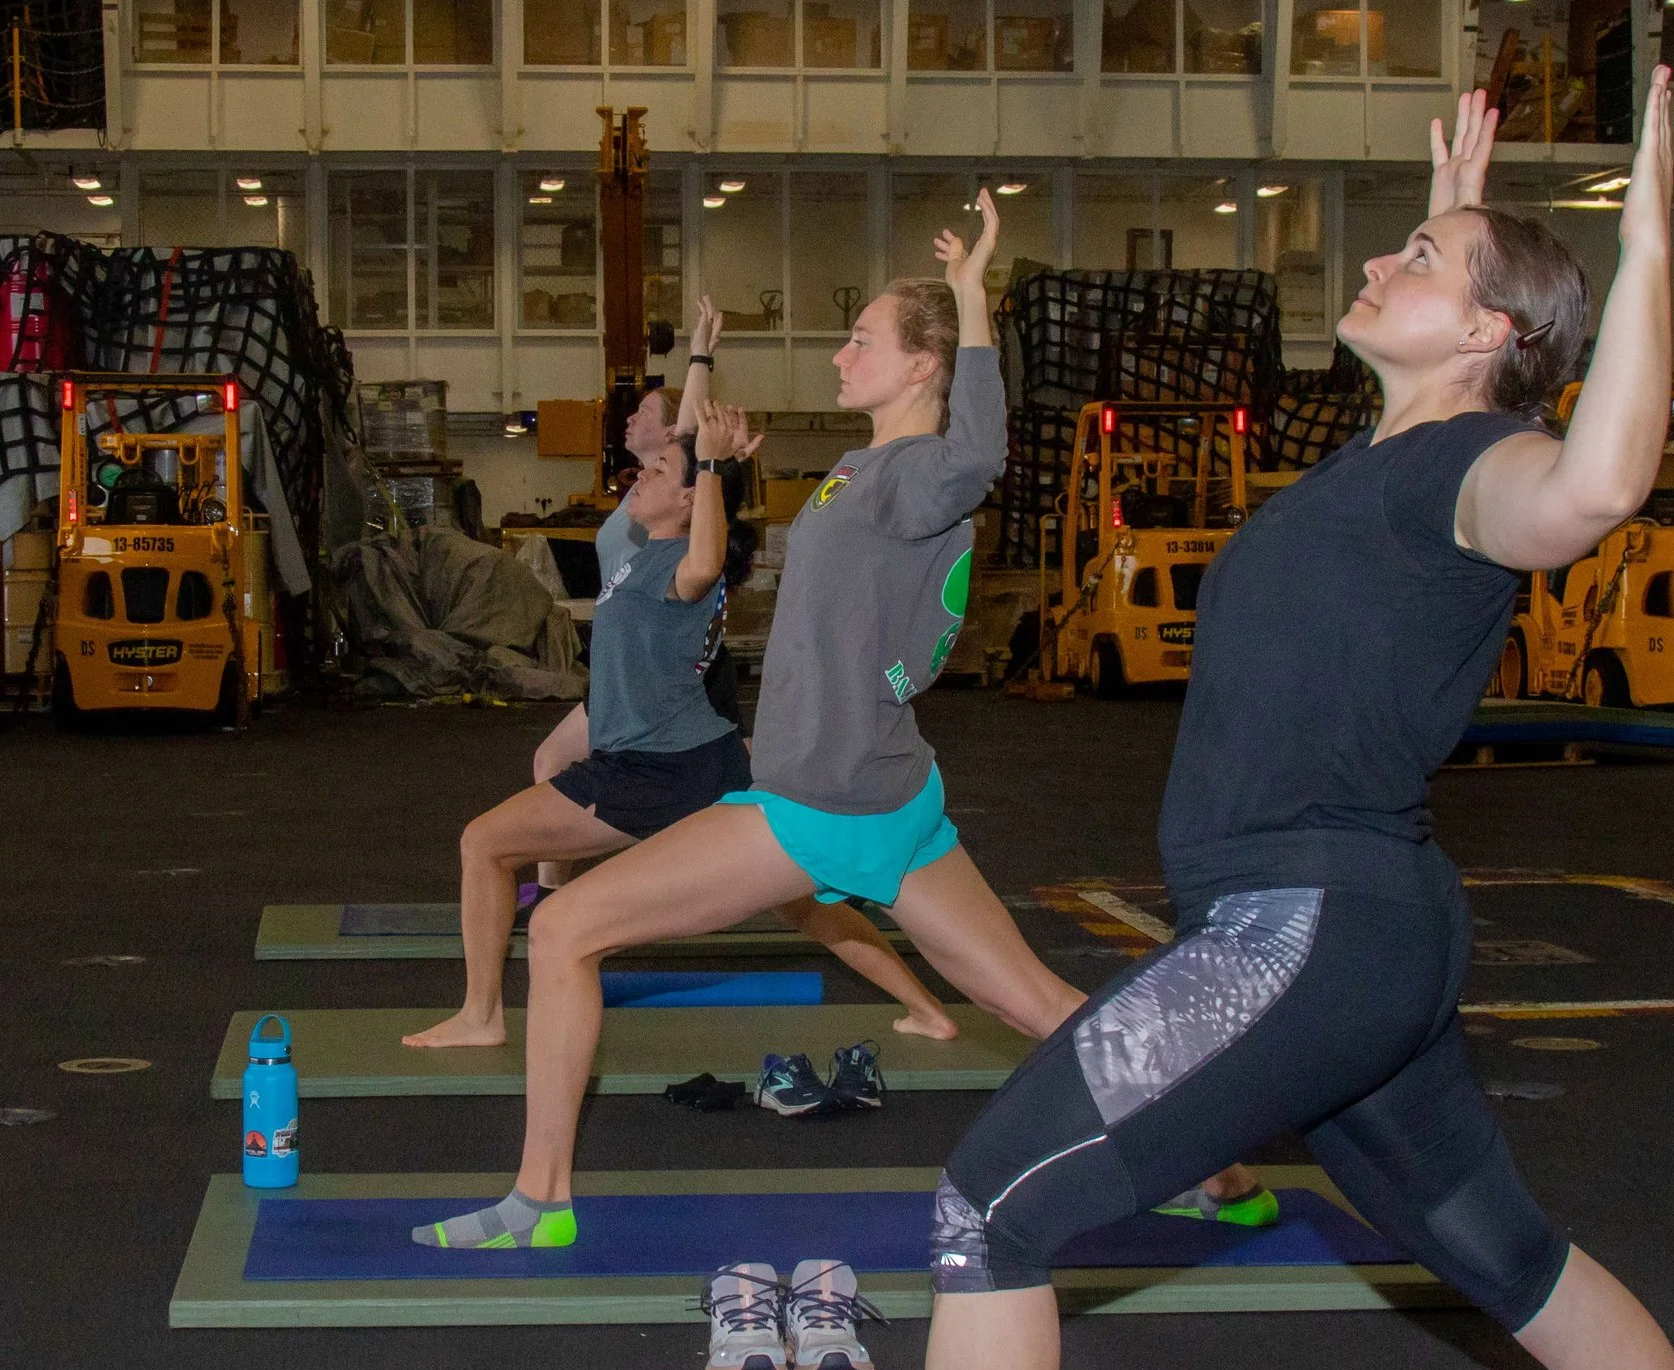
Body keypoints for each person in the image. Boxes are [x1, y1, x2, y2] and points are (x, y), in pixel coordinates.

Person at [734, 71, 1674, 1370]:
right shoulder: (1390, 460)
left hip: (1313, 928)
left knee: (990, 1204)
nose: (1376, 267)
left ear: (1493, 335)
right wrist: (1462, 221)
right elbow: (1454, 386)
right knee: (1502, 1250)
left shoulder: (1478, 471)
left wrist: (1640, 246)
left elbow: (1596, 491)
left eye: (1415, 261)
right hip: (1369, 938)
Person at [424, 192, 1263, 1254]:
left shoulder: (919, 473)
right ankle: (1216, 1160)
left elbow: (979, 455)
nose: (837, 355)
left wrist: (969, 301)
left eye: (859, 339)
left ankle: (538, 1204)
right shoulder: (857, 471)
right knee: (1031, 1000)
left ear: (923, 365)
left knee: (562, 927)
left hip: (819, 803)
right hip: (894, 797)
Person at [402, 307, 959, 1074]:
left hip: (654, 770)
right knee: (807, 904)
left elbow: (706, 541)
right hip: (691, 756)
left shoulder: (681, 571)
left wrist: (711, 472)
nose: (641, 476)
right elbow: (687, 450)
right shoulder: (635, 549)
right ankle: (927, 1007)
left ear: (692, 503)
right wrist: (698, 380)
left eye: (658, 475)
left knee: (482, 842)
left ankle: (481, 1015)